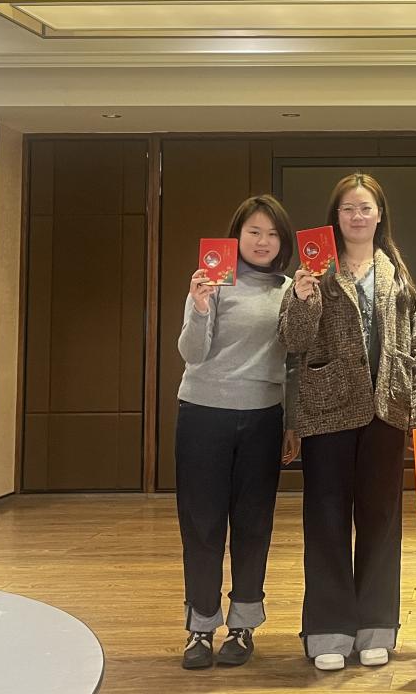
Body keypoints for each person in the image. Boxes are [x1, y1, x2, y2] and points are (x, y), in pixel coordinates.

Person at [278, 173, 416, 672]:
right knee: (325, 519)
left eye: (365, 208)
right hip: (328, 410)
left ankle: (375, 627)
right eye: (348, 208)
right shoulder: (315, 269)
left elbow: (413, 348)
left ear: (380, 214)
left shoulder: (396, 273)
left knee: (381, 521)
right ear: (336, 216)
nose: (357, 216)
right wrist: (303, 297)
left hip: (388, 410)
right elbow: (293, 341)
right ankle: (328, 629)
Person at [175, 194, 299, 670]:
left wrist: (292, 424)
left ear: (283, 242)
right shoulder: (212, 282)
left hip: (263, 417)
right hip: (203, 414)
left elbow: (294, 364)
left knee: (253, 525)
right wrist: (199, 305)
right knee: (202, 524)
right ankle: (200, 626)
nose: (263, 241)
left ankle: (244, 623)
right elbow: (192, 353)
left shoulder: (289, 289)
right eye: (254, 232)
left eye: (272, 234)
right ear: (237, 235)